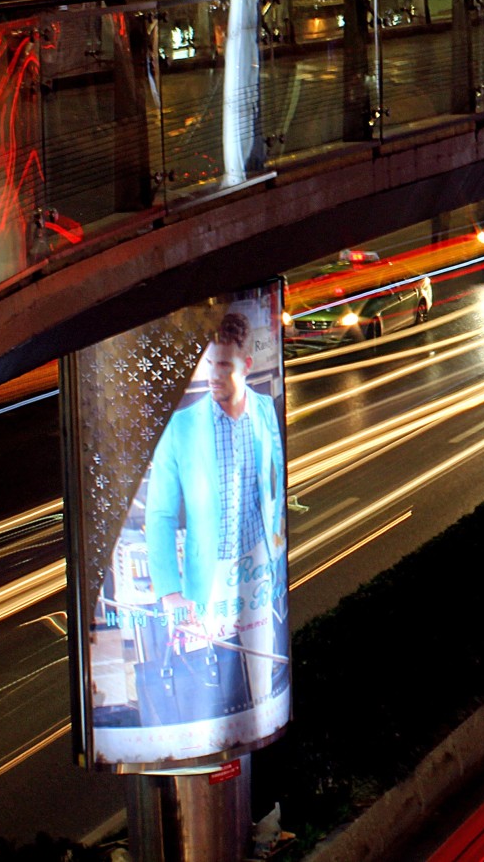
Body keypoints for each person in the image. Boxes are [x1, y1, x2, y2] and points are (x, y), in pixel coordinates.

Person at [144, 310, 288, 725]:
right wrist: (171, 592)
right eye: (208, 364)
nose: (212, 374)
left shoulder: (266, 411)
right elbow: (159, 514)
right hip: (206, 585)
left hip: (261, 570)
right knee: (215, 698)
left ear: (246, 365)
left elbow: (275, 487)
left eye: (222, 365)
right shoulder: (180, 427)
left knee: (263, 687)